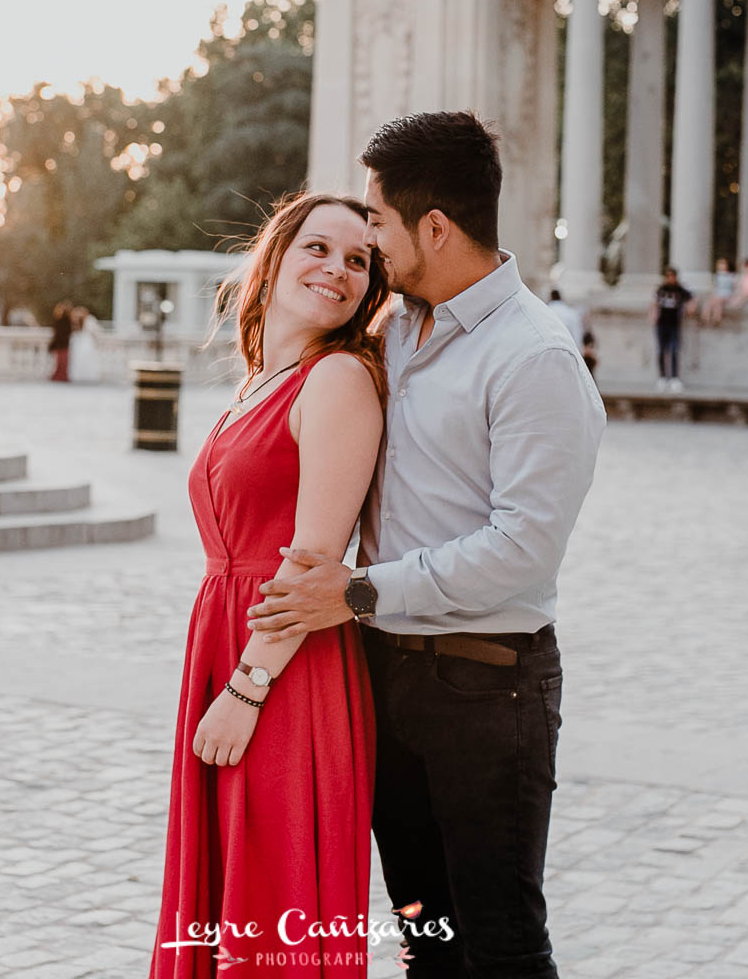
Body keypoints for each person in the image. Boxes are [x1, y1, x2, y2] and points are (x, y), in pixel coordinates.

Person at [250, 112, 606, 979]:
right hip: (381, 679)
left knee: (502, 945)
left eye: (375, 219)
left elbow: (522, 548)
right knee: (426, 939)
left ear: (434, 228)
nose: (365, 237)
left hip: (487, 688)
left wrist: (358, 592)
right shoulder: (397, 329)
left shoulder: (535, 358)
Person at [151, 193, 390, 977]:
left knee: (268, 908)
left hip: (286, 668)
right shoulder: (257, 381)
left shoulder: (337, 380)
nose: (337, 270)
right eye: (319, 248)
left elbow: (314, 565)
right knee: (223, 900)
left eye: (359, 261)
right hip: (225, 645)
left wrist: (249, 687)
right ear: (276, 256)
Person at [651, 266, 693, 392]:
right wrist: (653, 314)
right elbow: (654, 302)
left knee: (674, 351)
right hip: (661, 323)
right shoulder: (661, 289)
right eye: (667, 276)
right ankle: (662, 377)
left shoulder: (679, 290)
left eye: (672, 276)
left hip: (674, 324)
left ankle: (675, 378)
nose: (670, 279)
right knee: (661, 351)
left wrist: (690, 308)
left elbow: (691, 298)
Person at [67, 306, 101, 384]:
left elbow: (96, 331)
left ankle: (87, 376)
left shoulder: (90, 319)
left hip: (86, 341)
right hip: (79, 341)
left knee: (86, 358)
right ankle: (80, 376)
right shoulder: (76, 320)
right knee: (77, 358)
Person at [702, 257, 737, 325]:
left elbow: (734, 287)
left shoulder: (731, 275)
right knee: (709, 303)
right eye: (720, 264)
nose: (721, 265)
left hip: (726, 294)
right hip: (718, 294)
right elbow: (715, 287)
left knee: (718, 302)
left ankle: (716, 319)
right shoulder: (717, 275)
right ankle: (706, 319)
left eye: (723, 264)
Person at [48, 302, 73, 382]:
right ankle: (59, 376)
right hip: (61, 344)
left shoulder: (66, 321)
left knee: (63, 362)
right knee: (60, 362)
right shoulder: (59, 321)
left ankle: (61, 376)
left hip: (63, 343)